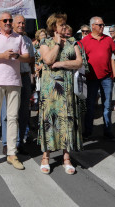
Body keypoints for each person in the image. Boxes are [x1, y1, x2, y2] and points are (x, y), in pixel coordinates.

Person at [36, 13, 86, 175]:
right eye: (61, 25)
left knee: (67, 120)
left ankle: (66, 158)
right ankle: (46, 157)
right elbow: (48, 60)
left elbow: (79, 62)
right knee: (50, 121)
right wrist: (57, 44)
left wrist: (62, 63)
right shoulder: (45, 42)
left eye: (65, 24)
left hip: (67, 89)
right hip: (50, 90)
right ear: (53, 27)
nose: (64, 27)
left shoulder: (73, 42)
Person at [0, 11, 30, 171]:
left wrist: (17, 56)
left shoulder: (18, 37)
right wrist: (3, 55)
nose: (8, 22)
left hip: (14, 82)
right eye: (5, 20)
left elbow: (27, 57)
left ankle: (12, 154)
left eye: (10, 20)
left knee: (13, 118)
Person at [80, 16, 115, 141]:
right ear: (93, 26)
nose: (103, 27)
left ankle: (108, 130)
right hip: (91, 79)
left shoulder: (108, 39)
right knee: (90, 105)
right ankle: (88, 131)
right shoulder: (85, 41)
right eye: (100, 25)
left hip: (106, 78)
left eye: (103, 25)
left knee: (107, 105)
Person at [14, 15, 35, 150]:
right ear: (13, 24)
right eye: (19, 23)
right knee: (11, 112)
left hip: (25, 77)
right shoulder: (10, 39)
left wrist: (32, 77)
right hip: (12, 78)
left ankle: (20, 140)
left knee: (24, 112)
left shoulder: (28, 40)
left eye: (23, 23)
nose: (21, 25)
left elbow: (31, 60)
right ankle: (10, 142)